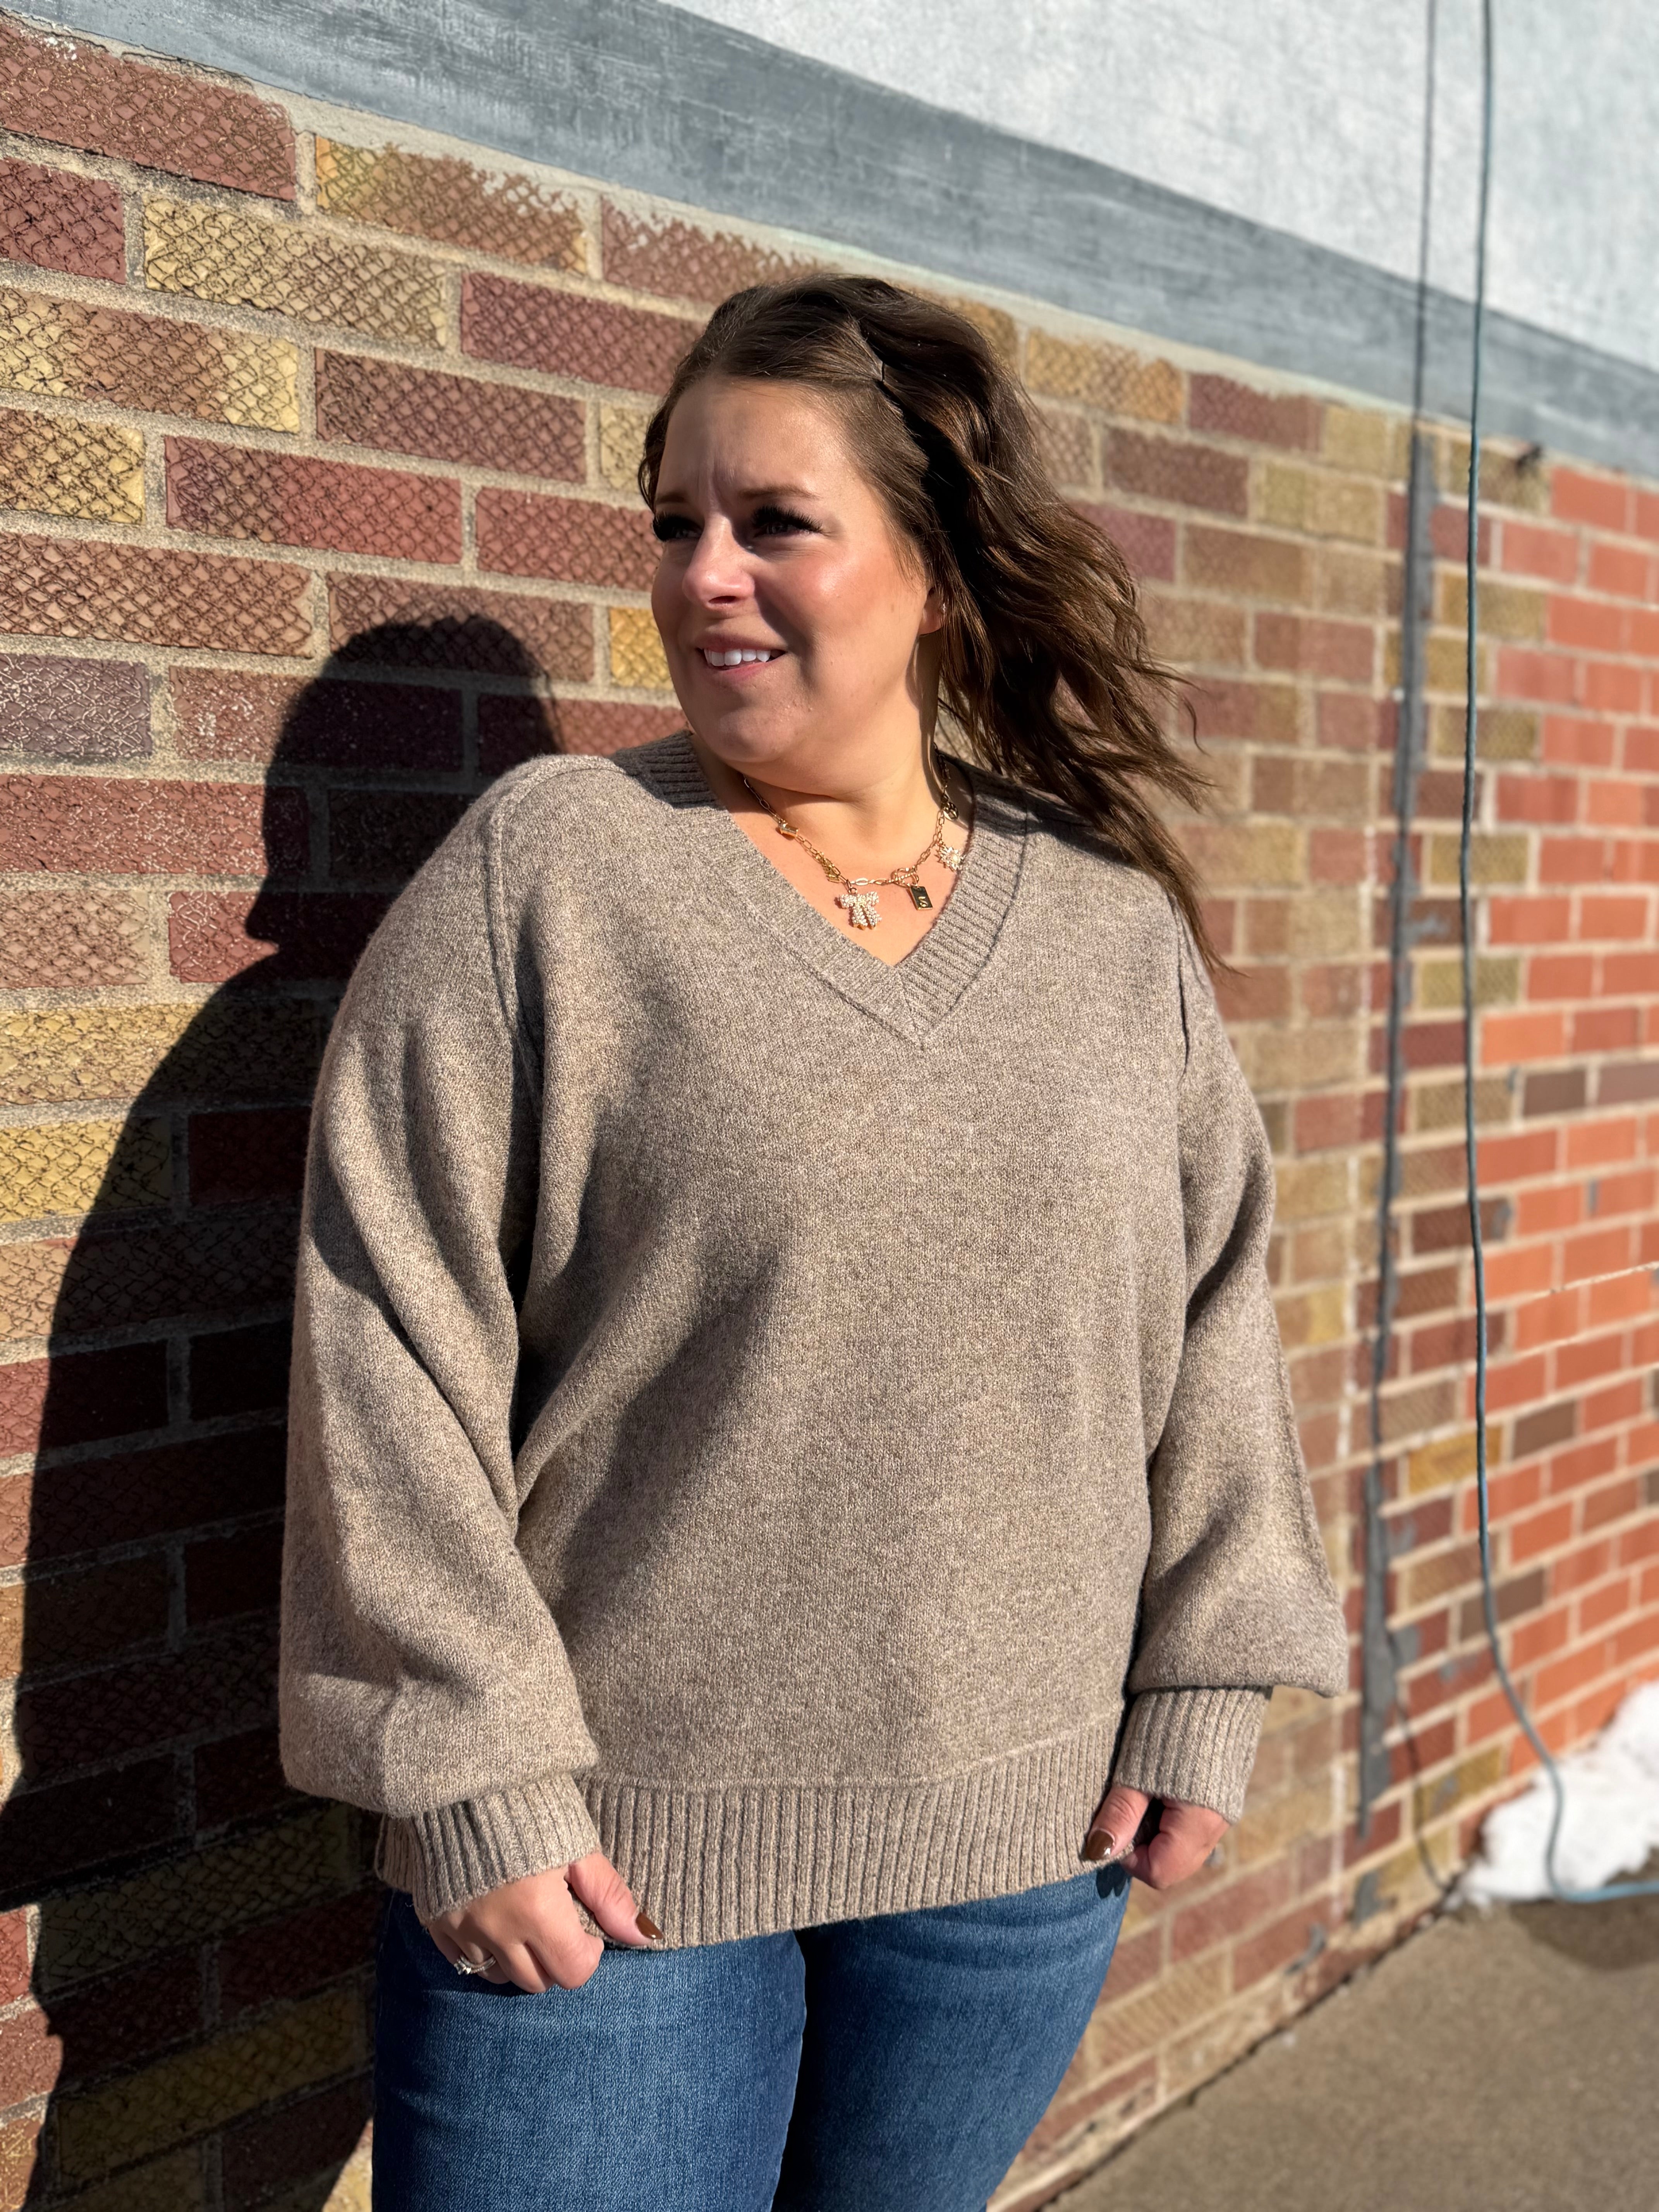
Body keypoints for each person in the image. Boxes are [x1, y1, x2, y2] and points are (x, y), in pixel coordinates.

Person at [279, 275, 1348, 2212]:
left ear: (933, 568)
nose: (704, 575)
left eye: (774, 521)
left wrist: (1211, 1673)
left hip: (1022, 1854)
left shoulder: (1106, 927)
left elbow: (1213, 1317)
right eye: (675, 523)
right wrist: (474, 1769)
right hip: (610, 1878)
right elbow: (386, 1331)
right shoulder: (554, 874)